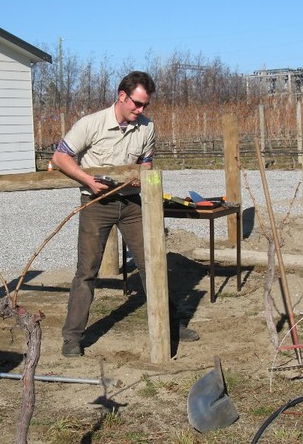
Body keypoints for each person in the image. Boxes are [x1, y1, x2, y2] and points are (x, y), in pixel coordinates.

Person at [52, 71, 199, 357]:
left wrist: (139, 176)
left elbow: (146, 163)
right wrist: (86, 179)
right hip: (96, 203)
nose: (141, 110)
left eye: (145, 105)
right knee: (87, 271)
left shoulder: (147, 127)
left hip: (132, 205)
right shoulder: (91, 124)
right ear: (122, 96)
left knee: (153, 264)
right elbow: (60, 156)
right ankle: (72, 337)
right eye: (137, 104)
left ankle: (170, 323)